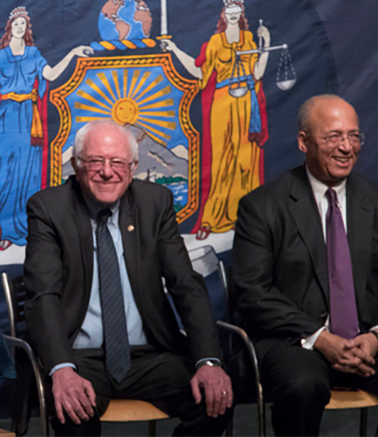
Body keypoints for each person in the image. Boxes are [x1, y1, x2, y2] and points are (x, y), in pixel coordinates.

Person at [231, 95, 378, 436]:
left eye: (354, 136)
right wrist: (321, 338)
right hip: (294, 341)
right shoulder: (262, 206)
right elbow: (251, 292)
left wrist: (376, 337)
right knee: (301, 385)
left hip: (366, 340)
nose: (346, 147)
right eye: (333, 136)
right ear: (304, 142)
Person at [24, 119, 233, 436]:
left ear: (133, 166)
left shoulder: (155, 203)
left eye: (118, 162)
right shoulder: (50, 208)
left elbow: (185, 284)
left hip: (149, 356)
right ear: (77, 165)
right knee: (73, 412)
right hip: (80, 357)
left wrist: (208, 362)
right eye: (96, 161)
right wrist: (61, 368)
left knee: (216, 399)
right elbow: (43, 296)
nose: (108, 172)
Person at [0, 7, 91, 249]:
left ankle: (29, 229)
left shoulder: (34, 54)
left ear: (27, 29)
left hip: (29, 119)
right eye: (16, 23)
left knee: (29, 174)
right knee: (6, 175)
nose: (19, 27)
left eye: (23, 24)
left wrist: (73, 53)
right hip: (6, 121)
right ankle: (6, 231)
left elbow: (52, 74)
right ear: (10, 27)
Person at [162, 0, 269, 240]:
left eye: (237, 9)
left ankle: (246, 216)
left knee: (246, 161)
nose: (233, 13)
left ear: (242, 13)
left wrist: (266, 44)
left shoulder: (249, 40)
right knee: (222, 161)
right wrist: (175, 50)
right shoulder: (215, 42)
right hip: (223, 103)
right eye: (229, 9)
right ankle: (214, 218)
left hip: (246, 103)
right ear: (223, 13)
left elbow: (258, 73)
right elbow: (200, 72)